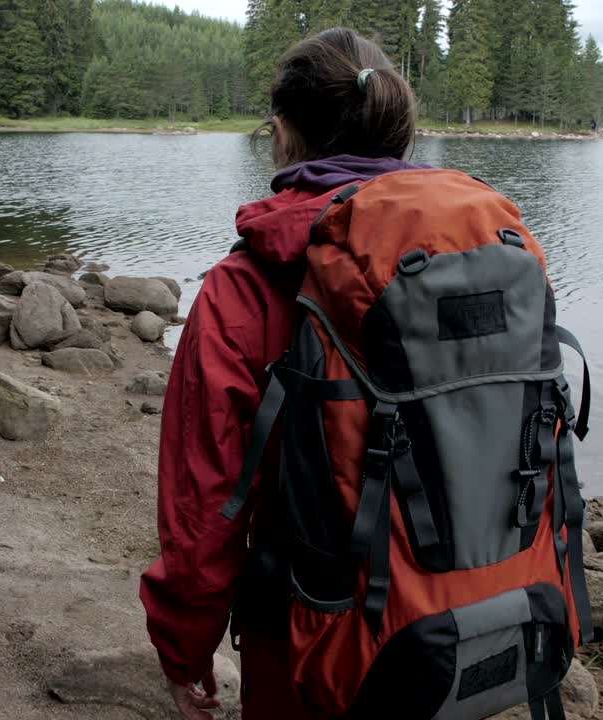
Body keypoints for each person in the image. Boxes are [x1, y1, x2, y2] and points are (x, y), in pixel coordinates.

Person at [139, 28, 424, 720]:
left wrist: (186, 650)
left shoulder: (245, 286)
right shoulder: (469, 254)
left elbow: (203, 502)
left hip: (309, 632)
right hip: (463, 611)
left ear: (284, 132)